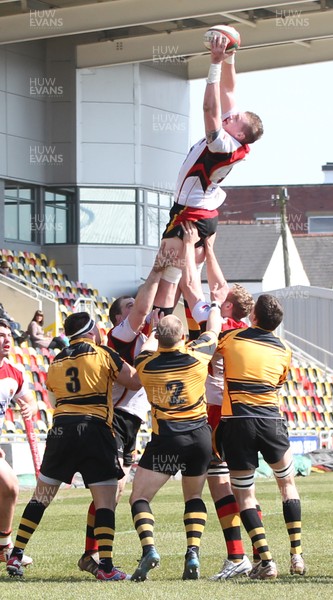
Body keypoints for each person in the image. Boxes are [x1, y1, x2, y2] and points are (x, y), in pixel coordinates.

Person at [6, 311, 141, 581]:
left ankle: (16, 554)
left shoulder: (56, 360)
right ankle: (105, 566)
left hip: (62, 430)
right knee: (104, 501)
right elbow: (135, 381)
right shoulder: (103, 353)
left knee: (41, 497)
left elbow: (54, 401)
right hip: (95, 429)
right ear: (92, 333)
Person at [152, 33, 263, 316]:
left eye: (236, 118)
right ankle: (175, 332)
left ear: (239, 133)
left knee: (168, 280)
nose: (231, 115)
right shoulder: (236, 134)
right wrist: (230, 55)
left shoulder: (224, 145)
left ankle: (158, 335)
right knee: (181, 283)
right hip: (202, 214)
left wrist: (214, 64)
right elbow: (228, 90)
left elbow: (209, 108)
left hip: (190, 214)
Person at [78, 248, 168, 577]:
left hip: (132, 425)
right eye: (128, 308)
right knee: (110, 488)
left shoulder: (147, 339)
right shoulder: (118, 338)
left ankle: (93, 555)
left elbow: (160, 307)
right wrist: (157, 271)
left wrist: (179, 266)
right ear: (119, 319)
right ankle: (97, 558)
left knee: (114, 491)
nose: (137, 312)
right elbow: (145, 307)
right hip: (113, 422)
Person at [129, 262, 222, 582]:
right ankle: (192, 553)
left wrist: (155, 325)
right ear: (183, 336)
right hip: (198, 438)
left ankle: (150, 549)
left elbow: (150, 346)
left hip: (167, 440)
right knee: (194, 498)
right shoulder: (198, 356)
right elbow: (214, 325)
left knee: (139, 498)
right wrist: (216, 302)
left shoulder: (145, 364)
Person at [180, 222, 260, 580]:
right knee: (244, 487)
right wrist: (209, 249)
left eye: (222, 296)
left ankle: (237, 555)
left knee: (219, 483)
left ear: (226, 305)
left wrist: (189, 246)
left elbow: (189, 284)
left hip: (214, 411)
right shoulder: (244, 329)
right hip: (243, 410)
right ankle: (262, 554)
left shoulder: (214, 322)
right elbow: (218, 287)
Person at [214, 294, 307, 580]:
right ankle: (297, 555)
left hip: (237, 421)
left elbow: (212, 352)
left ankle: (266, 560)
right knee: (287, 484)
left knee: (245, 494)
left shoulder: (232, 339)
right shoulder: (285, 349)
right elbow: (279, 383)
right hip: (270, 420)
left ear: (252, 316)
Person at [0, 318, 37, 570]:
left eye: (8, 335)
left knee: (10, 488)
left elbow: (31, 401)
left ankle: (4, 547)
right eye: (0, 335)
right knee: (10, 485)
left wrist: (29, 408)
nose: (6, 340)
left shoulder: (14, 373)